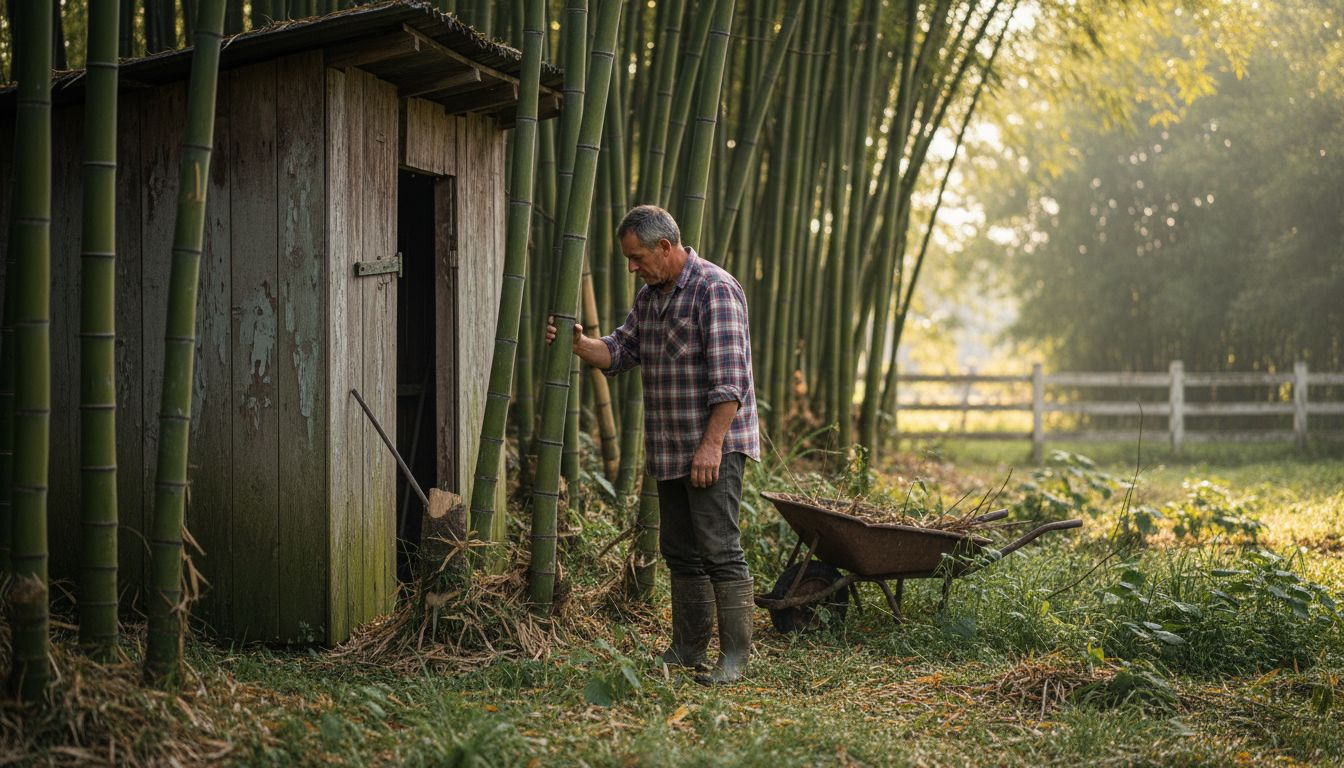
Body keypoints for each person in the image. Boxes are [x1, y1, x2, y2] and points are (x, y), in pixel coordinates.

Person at [546, 205, 760, 685]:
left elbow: (731, 384)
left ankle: (733, 660)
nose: (632, 267)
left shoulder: (715, 289)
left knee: (719, 548)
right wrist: (580, 344)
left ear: (665, 247)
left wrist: (711, 448)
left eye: (638, 256)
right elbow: (621, 351)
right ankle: (686, 651)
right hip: (669, 448)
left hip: (713, 447)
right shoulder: (650, 298)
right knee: (680, 551)